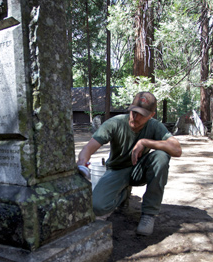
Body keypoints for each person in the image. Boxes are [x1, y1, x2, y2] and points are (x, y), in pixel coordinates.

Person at [77, 92, 182, 236]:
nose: (135, 117)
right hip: (116, 170)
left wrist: (145, 142)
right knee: (97, 206)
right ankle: (123, 193)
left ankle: (148, 214)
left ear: (151, 115)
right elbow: (89, 147)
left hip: (140, 170)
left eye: (142, 114)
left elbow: (177, 149)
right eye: (133, 112)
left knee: (161, 156)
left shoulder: (154, 126)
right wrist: (82, 161)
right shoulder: (115, 123)